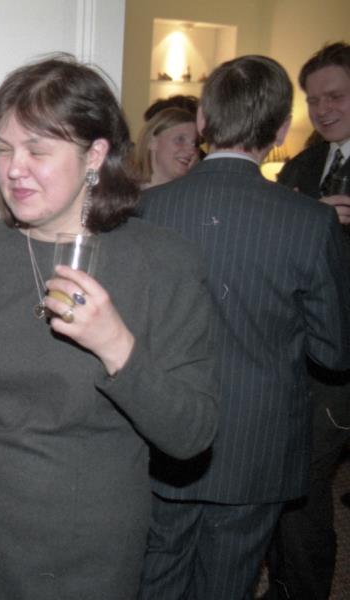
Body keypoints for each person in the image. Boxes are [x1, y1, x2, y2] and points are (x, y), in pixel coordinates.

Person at [0, 55, 218, 599]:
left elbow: (190, 433)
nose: (13, 168)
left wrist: (116, 345)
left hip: (80, 547)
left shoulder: (162, 263)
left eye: (37, 150)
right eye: (4, 149)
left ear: (95, 154)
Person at [138, 55, 350, 600]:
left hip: (164, 431)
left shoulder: (144, 210)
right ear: (281, 131)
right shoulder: (312, 220)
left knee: (156, 576)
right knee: (227, 584)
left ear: (202, 121)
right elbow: (334, 352)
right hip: (259, 443)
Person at [266, 41, 350, 600]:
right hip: (304, 349)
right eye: (314, 100)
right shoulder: (301, 163)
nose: (322, 109)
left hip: (341, 357)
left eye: (335, 96)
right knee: (295, 474)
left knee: (304, 475)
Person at [130, 107, 200, 188]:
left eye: (194, 144)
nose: (191, 151)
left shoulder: (196, 191)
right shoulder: (124, 191)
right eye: (180, 139)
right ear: (152, 142)